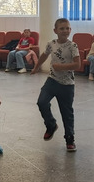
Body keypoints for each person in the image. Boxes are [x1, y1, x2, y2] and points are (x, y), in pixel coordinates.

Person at [31, 18, 81, 152]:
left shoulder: (73, 46)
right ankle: (51, 124)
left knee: (67, 112)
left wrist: (61, 67)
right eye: (62, 28)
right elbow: (44, 55)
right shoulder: (51, 44)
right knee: (42, 102)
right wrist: (37, 66)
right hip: (52, 81)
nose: (65, 31)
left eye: (67, 28)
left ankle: (70, 138)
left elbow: (77, 64)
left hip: (67, 84)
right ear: (55, 30)